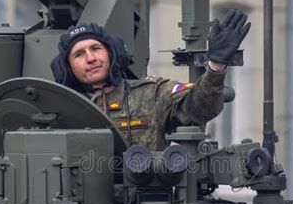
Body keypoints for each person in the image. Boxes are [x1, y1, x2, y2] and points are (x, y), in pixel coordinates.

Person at [50, 9, 250, 151]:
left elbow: (199, 109)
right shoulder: (62, 110)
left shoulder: (152, 93)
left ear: (112, 53)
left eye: (96, 49)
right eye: (79, 54)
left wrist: (216, 65)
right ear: (67, 68)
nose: (91, 58)